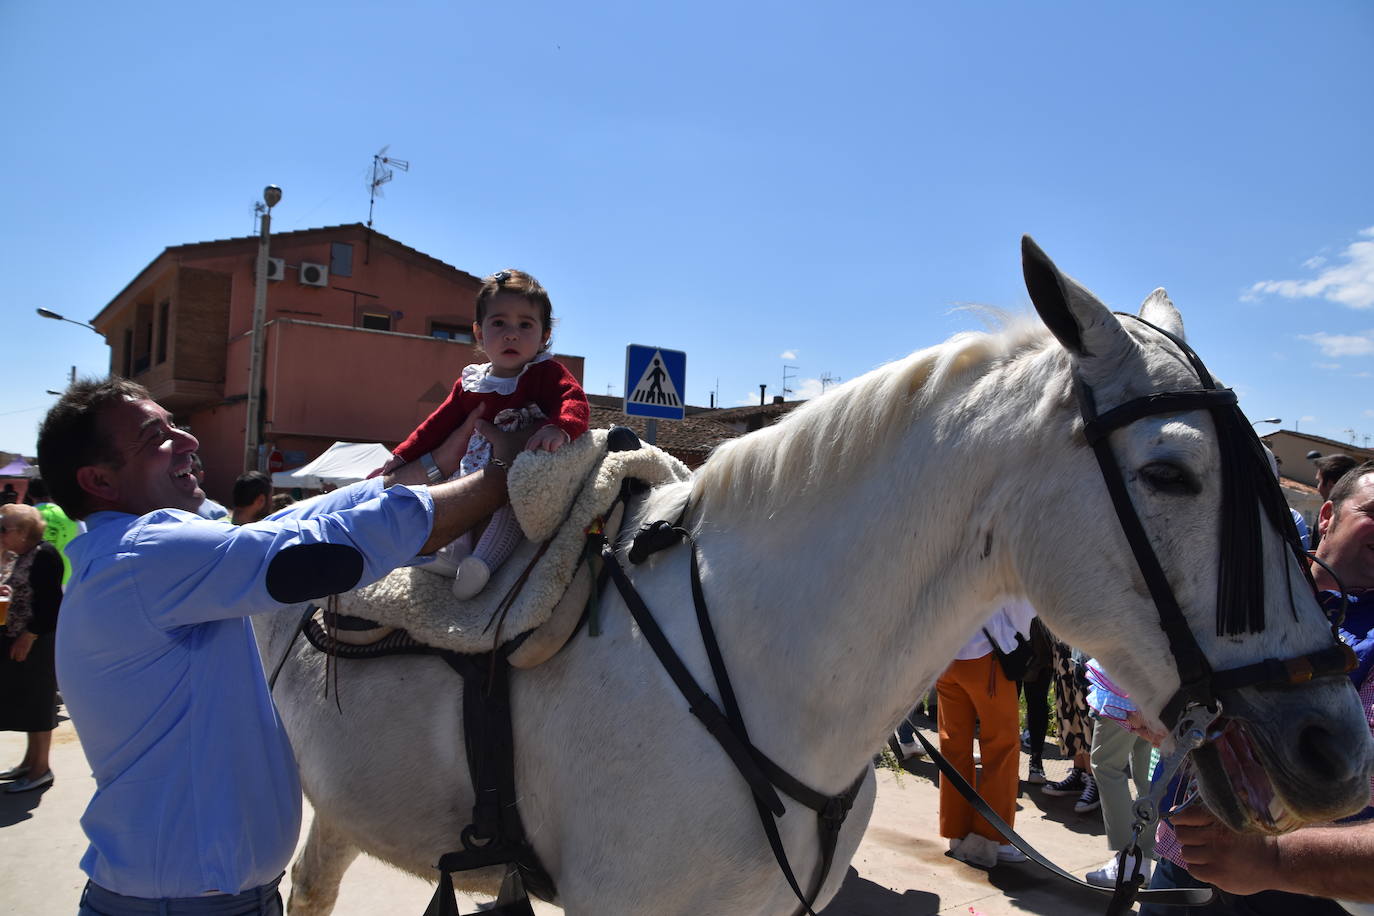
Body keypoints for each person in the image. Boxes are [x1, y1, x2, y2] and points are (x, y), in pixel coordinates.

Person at [38, 377, 530, 916]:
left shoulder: (137, 557)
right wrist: (500, 475)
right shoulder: (143, 555)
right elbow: (324, 551)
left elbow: (297, 522)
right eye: (155, 435)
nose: (187, 440)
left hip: (205, 900)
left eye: (175, 423)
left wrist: (435, 464)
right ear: (99, 480)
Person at [1140, 461, 1374, 915]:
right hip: (1182, 863)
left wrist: (1275, 858)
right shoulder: (1239, 590)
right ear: (1327, 516)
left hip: (1312, 896)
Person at [380, 268, 589, 600]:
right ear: (479, 332)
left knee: (505, 507)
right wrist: (402, 455)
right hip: (472, 470)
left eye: (525, 325)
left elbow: (573, 401)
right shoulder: (471, 383)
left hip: (521, 469)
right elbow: (437, 425)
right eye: (499, 323)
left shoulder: (545, 373)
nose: (511, 334)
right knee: (455, 497)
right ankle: (452, 555)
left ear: (545, 335)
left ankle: (483, 563)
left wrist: (558, 427)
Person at [938, 597, 1036, 867]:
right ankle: (994, 839)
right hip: (986, 658)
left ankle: (956, 832)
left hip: (945, 655)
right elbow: (1022, 606)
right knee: (1001, 748)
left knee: (953, 746)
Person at [0, 504, 64, 793]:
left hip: (38, 641)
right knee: (28, 702)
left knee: (38, 704)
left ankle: (41, 769)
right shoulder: (21, 554)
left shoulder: (44, 554)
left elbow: (51, 605)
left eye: (4, 529)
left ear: (24, 532)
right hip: (22, 638)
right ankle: (30, 762)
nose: (0, 533)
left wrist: (29, 635)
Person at [1082, 658, 1157, 887]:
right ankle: (1141, 858)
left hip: (1126, 682)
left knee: (1106, 765)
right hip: (1155, 683)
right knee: (1148, 775)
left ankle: (1128, 858)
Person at [1043, 640, 1099, 813]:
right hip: (1064, 648)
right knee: (1068, 711)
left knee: (1085, 713)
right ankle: (1079, 771)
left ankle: (1094, 780)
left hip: (1086, 647)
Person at [26, 477, 81, 585]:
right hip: (66, 578)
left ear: (29, 494)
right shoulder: (70, 515)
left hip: (32, 579)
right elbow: (83, 542)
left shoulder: (25, 517)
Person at [191, 454, 229, 521]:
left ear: (201, 476)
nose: (189, 477)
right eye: (183, 473)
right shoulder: (167, 510)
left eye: (193, 471)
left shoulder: (218, 513)